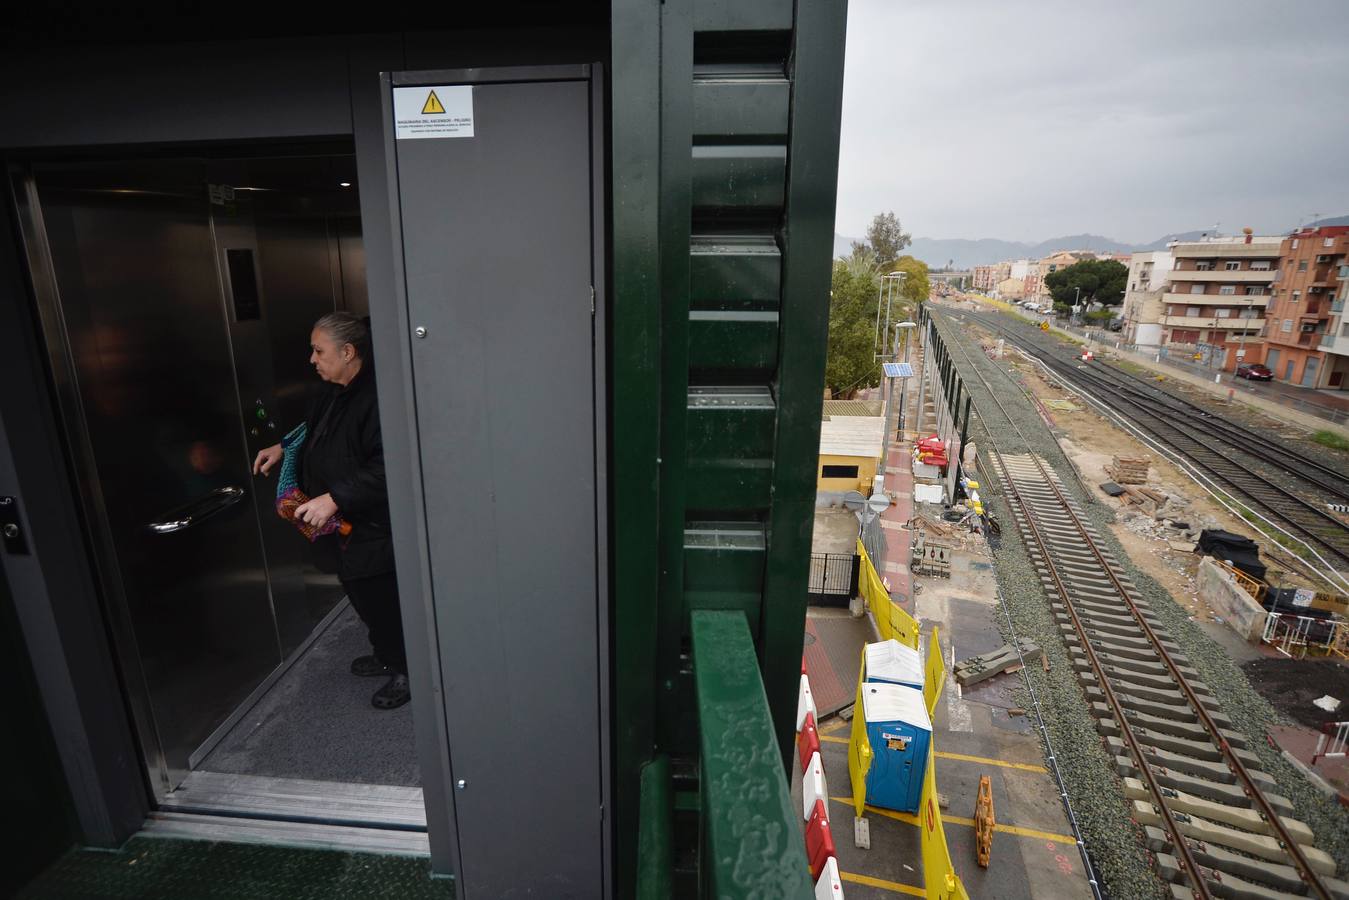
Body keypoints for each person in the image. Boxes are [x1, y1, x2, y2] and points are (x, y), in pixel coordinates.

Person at [253, 312, 410, 710]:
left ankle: (407, 669)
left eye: (319, 351)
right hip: (341, 526)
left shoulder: (378, 398)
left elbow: (387, 464)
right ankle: (387, 652)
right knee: (358, 591)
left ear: (348, 351)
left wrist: (334, 497)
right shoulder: (331, 390)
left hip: (373, 525)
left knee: (382, 599)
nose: (312, 359)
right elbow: (312, 431)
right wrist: (284, 448)